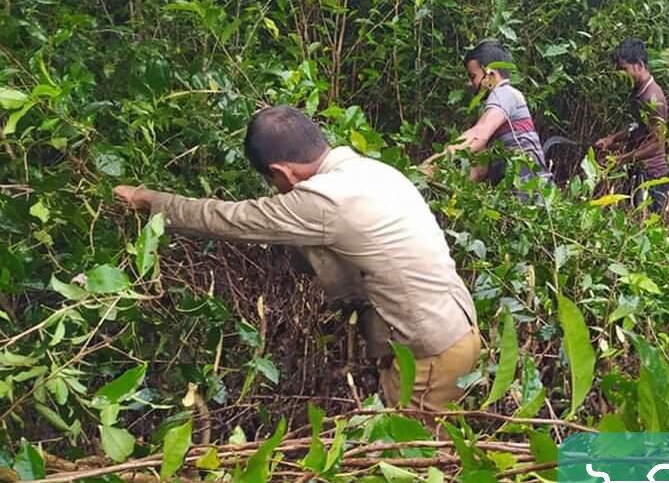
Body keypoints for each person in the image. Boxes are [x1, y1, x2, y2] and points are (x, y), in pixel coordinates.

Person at [114, 106, 481, 411]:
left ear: (281, 171)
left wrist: (148, 200)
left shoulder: (322, 200)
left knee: (415, 462)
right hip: (456, 329)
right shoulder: (372, 170)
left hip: (430, 354)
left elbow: (230, 219)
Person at [422, 41, 552, 195]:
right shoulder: (496, 109)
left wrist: (431, 164)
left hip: (533, 193)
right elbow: (479, 170)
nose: (470, 83)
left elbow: (478, 135)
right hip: (518, 195)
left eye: (473, 76)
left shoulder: (504, 93)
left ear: (490, 74)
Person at [593, 38, 669, 212]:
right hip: (640, 171)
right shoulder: (638, 91)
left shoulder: (653, 98)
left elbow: (656, 144)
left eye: (623, 69)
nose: (621, 74)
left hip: (653, 177)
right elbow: (637, 126)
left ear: (639, 65)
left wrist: (622, 159)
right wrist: (611, 139)